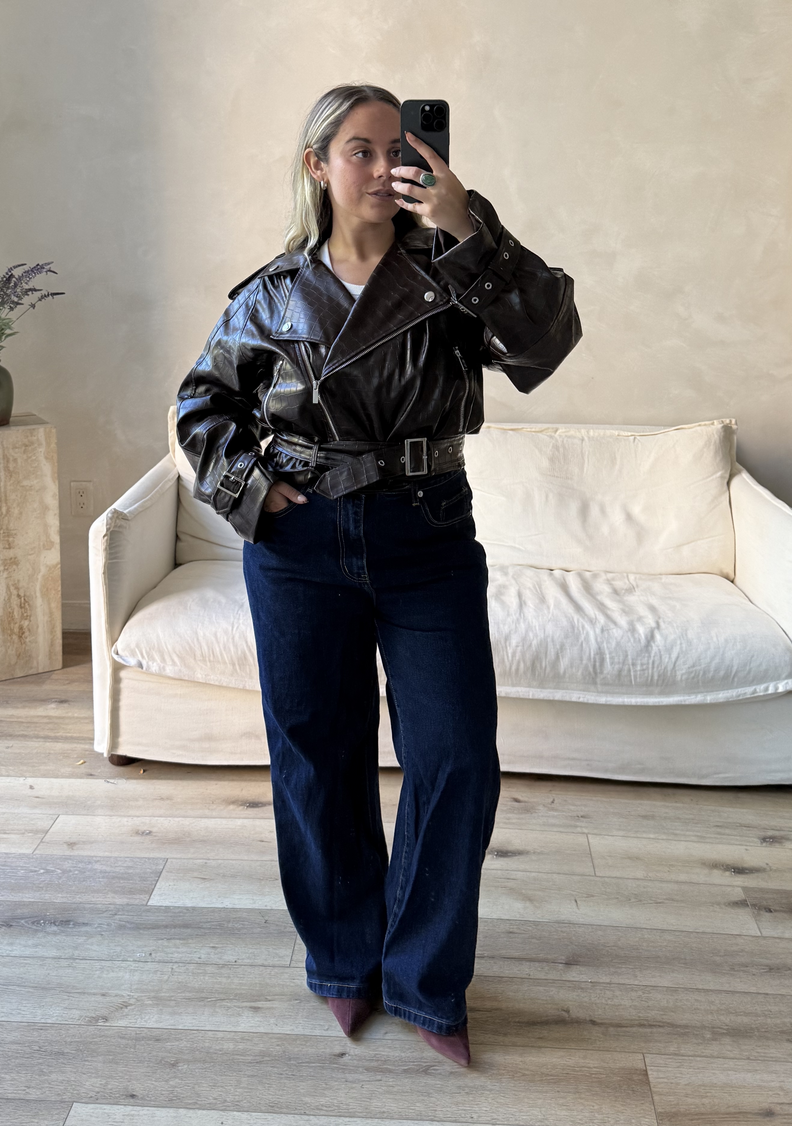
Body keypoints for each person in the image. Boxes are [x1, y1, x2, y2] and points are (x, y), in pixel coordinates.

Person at [176, 83, 582, 1066]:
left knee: (455, 758)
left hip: (427, 534)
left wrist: (470, 226)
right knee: (318, 755)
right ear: (318, 167)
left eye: (402, 150)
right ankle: (344, 961)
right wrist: (258, 490)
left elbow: (547, 342)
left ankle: (427, 979)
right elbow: (204, 412)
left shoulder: (453, 276)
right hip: (303, 546)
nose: (385, 167)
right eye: (360, 150)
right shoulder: (267, 295)